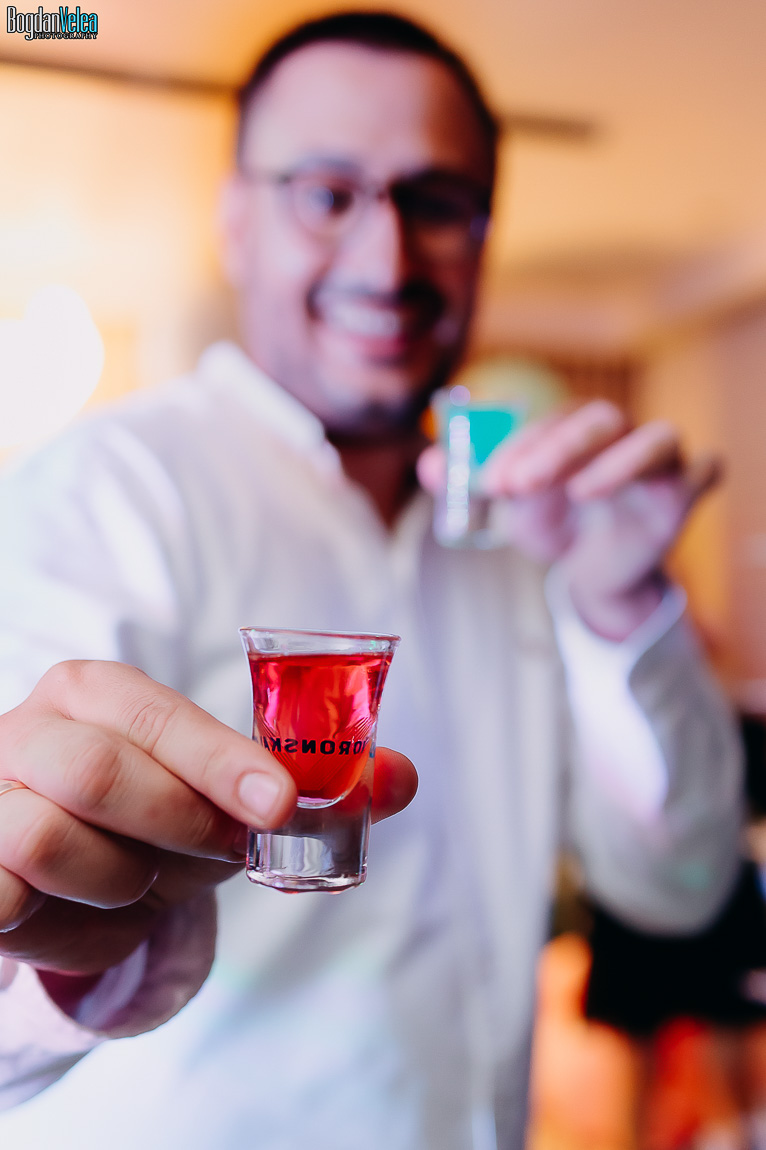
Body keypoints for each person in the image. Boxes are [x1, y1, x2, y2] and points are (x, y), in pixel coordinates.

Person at [0, 12, 744, 1150]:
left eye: (434, 200)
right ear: (236, 220)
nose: (387, 259)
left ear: (483, 235)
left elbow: (677, 885)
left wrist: (621, 601)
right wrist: (60, 946)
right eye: (328, 192)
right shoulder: (100, 492)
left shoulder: (531, 534)